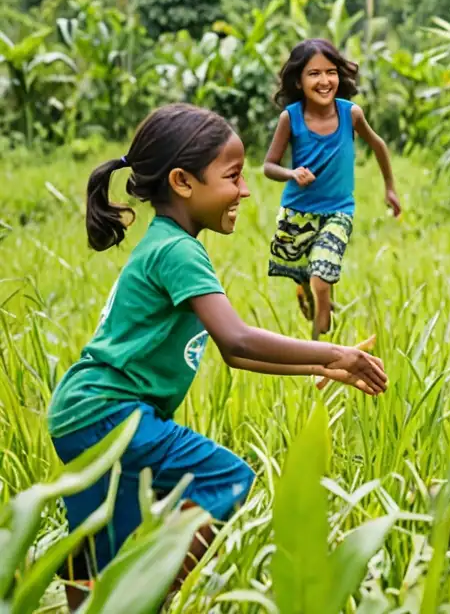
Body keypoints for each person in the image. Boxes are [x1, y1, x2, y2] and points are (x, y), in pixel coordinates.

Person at [48, 104, 388, 609]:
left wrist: (324, 364)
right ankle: (143, 600)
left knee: (98, 556)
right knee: (226, 478)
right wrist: (334, 350)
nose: (245, 190)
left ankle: (107, 601)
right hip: (111, 414)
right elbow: (238, 341)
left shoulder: (163, 243)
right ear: (183, 182)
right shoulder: (179, 251)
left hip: (78, 412)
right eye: (232, 176)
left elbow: (236, 356)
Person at [264, 38, 402, 340]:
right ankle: (311, 296)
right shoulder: (291, 118)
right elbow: (268, 166)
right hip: (296, 213)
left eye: (330, 72)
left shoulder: (350, 114)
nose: (324, 80)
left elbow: (378, 146)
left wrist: (390, 188)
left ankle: (320, 345)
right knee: (307, 278)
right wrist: (291, 172)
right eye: (314, 74)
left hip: (339, 211)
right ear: (299, 81)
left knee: (322, 275)